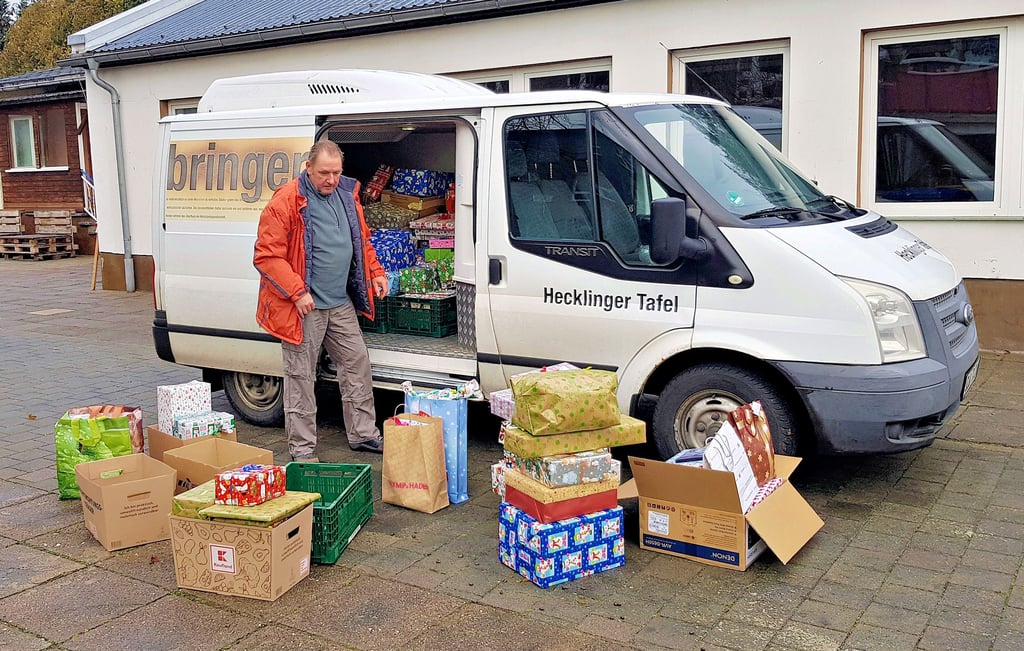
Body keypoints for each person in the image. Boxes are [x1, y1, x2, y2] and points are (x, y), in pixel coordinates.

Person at [253, 141, 388, 461]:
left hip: (339, 302)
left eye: (337, 172)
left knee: (357, 363)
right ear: (308, 168)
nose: (331, 179)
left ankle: (364, 433)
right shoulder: (286, 201)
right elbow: (267, 256)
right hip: (305, 306)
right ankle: (302, 449)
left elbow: (361, 240)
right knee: (300, 376)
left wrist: (375, 272)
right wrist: (297, 292)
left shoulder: (346, 194)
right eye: (324, 173)